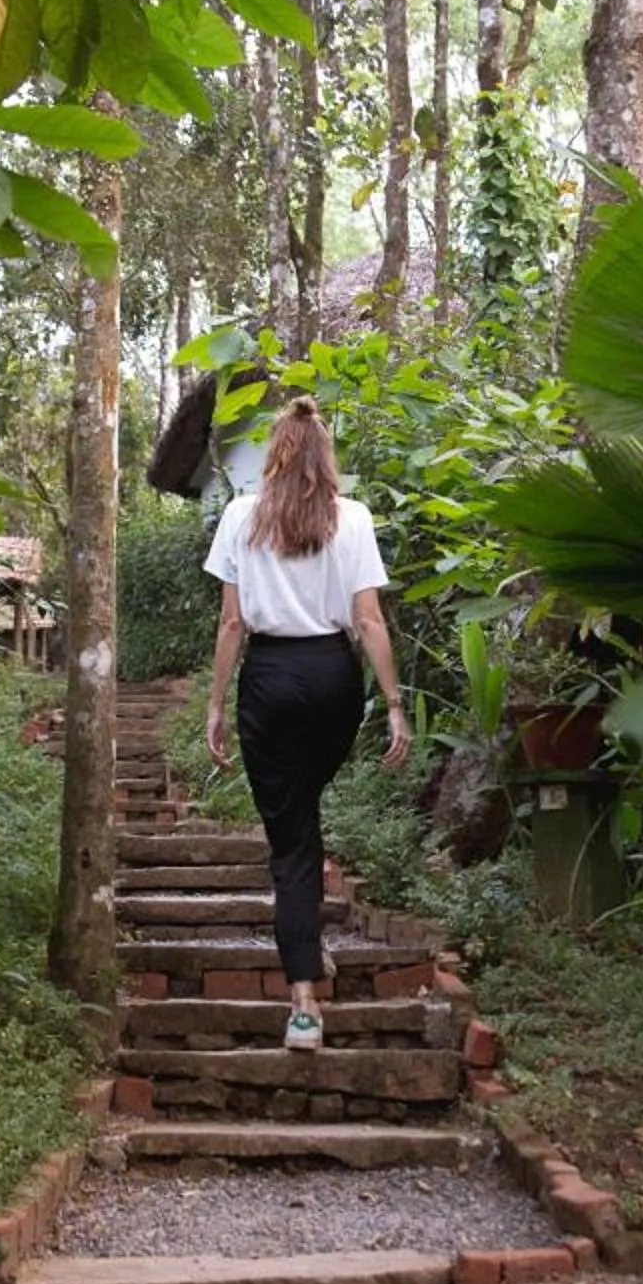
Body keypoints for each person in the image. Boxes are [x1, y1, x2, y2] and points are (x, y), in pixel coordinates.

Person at [203, 395, 412, 1049]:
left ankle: (302, 1006)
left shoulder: (240, 515)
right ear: (326, 457)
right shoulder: (353, 517)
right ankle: (308, 947)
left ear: (277, 453)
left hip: (268, 680)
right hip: (334, 681)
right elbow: (370, 620)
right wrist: (395, 704)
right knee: (302, 816)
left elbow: (233, 621)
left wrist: (215, 704)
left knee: (291, 840)